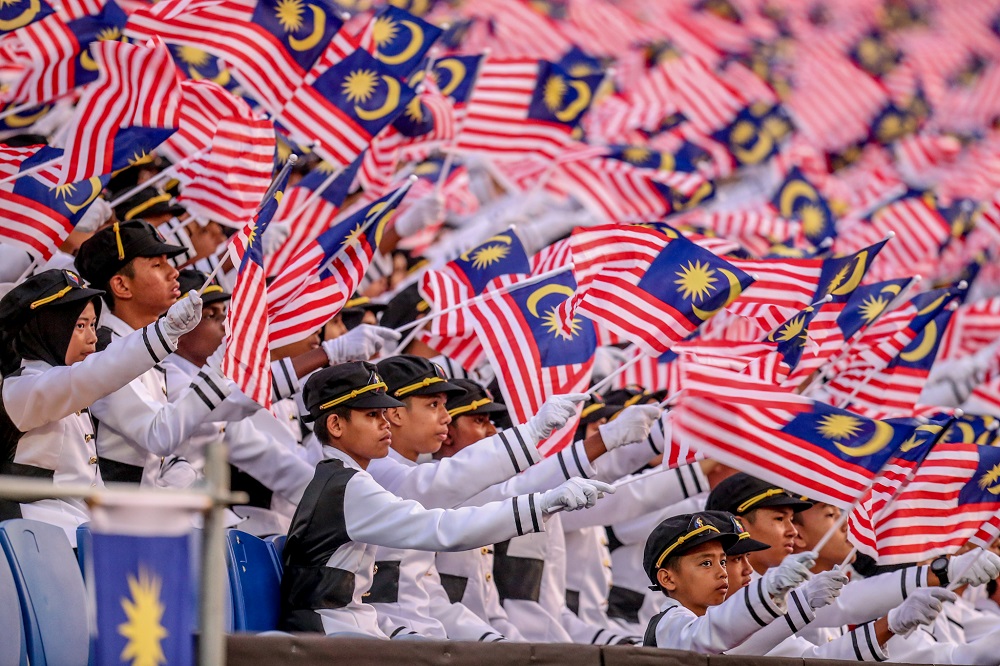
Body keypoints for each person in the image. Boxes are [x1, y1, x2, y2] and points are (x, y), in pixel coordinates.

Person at [278, 361, 614, 637]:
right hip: (331, 635)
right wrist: (540, 502)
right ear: (335, 424)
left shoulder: (345, 479)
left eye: (384, 414)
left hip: (350, 629)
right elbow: (441, 528)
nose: (385, 425)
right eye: (371, 416)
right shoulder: (348, 485)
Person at [0, 269, 201, 544]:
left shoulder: (63, 387)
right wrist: (164, 332)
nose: (92, 338)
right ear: (48, 327)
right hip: (39, 543)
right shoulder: (23, 388)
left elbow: (92, 487)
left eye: (94, 325)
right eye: (80, 326)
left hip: (83, 537)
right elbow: (92, 376)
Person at [75, 219, 253, 485]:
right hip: (110, 515)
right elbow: (159, 434)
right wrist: (222, 359)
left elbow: (160, 454)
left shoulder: (142, 347)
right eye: (158, 265)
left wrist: (180, 473)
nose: (174, 273)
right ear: (122, 286)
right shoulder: (105, 349)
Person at [641, 511, 814, 652]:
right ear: (668, 579)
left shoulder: (702, 622)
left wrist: (808, 597)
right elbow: (712, 632)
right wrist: (768, 589)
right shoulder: (669, 624)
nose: (722, 572)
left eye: (723, 562)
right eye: (706, 563)